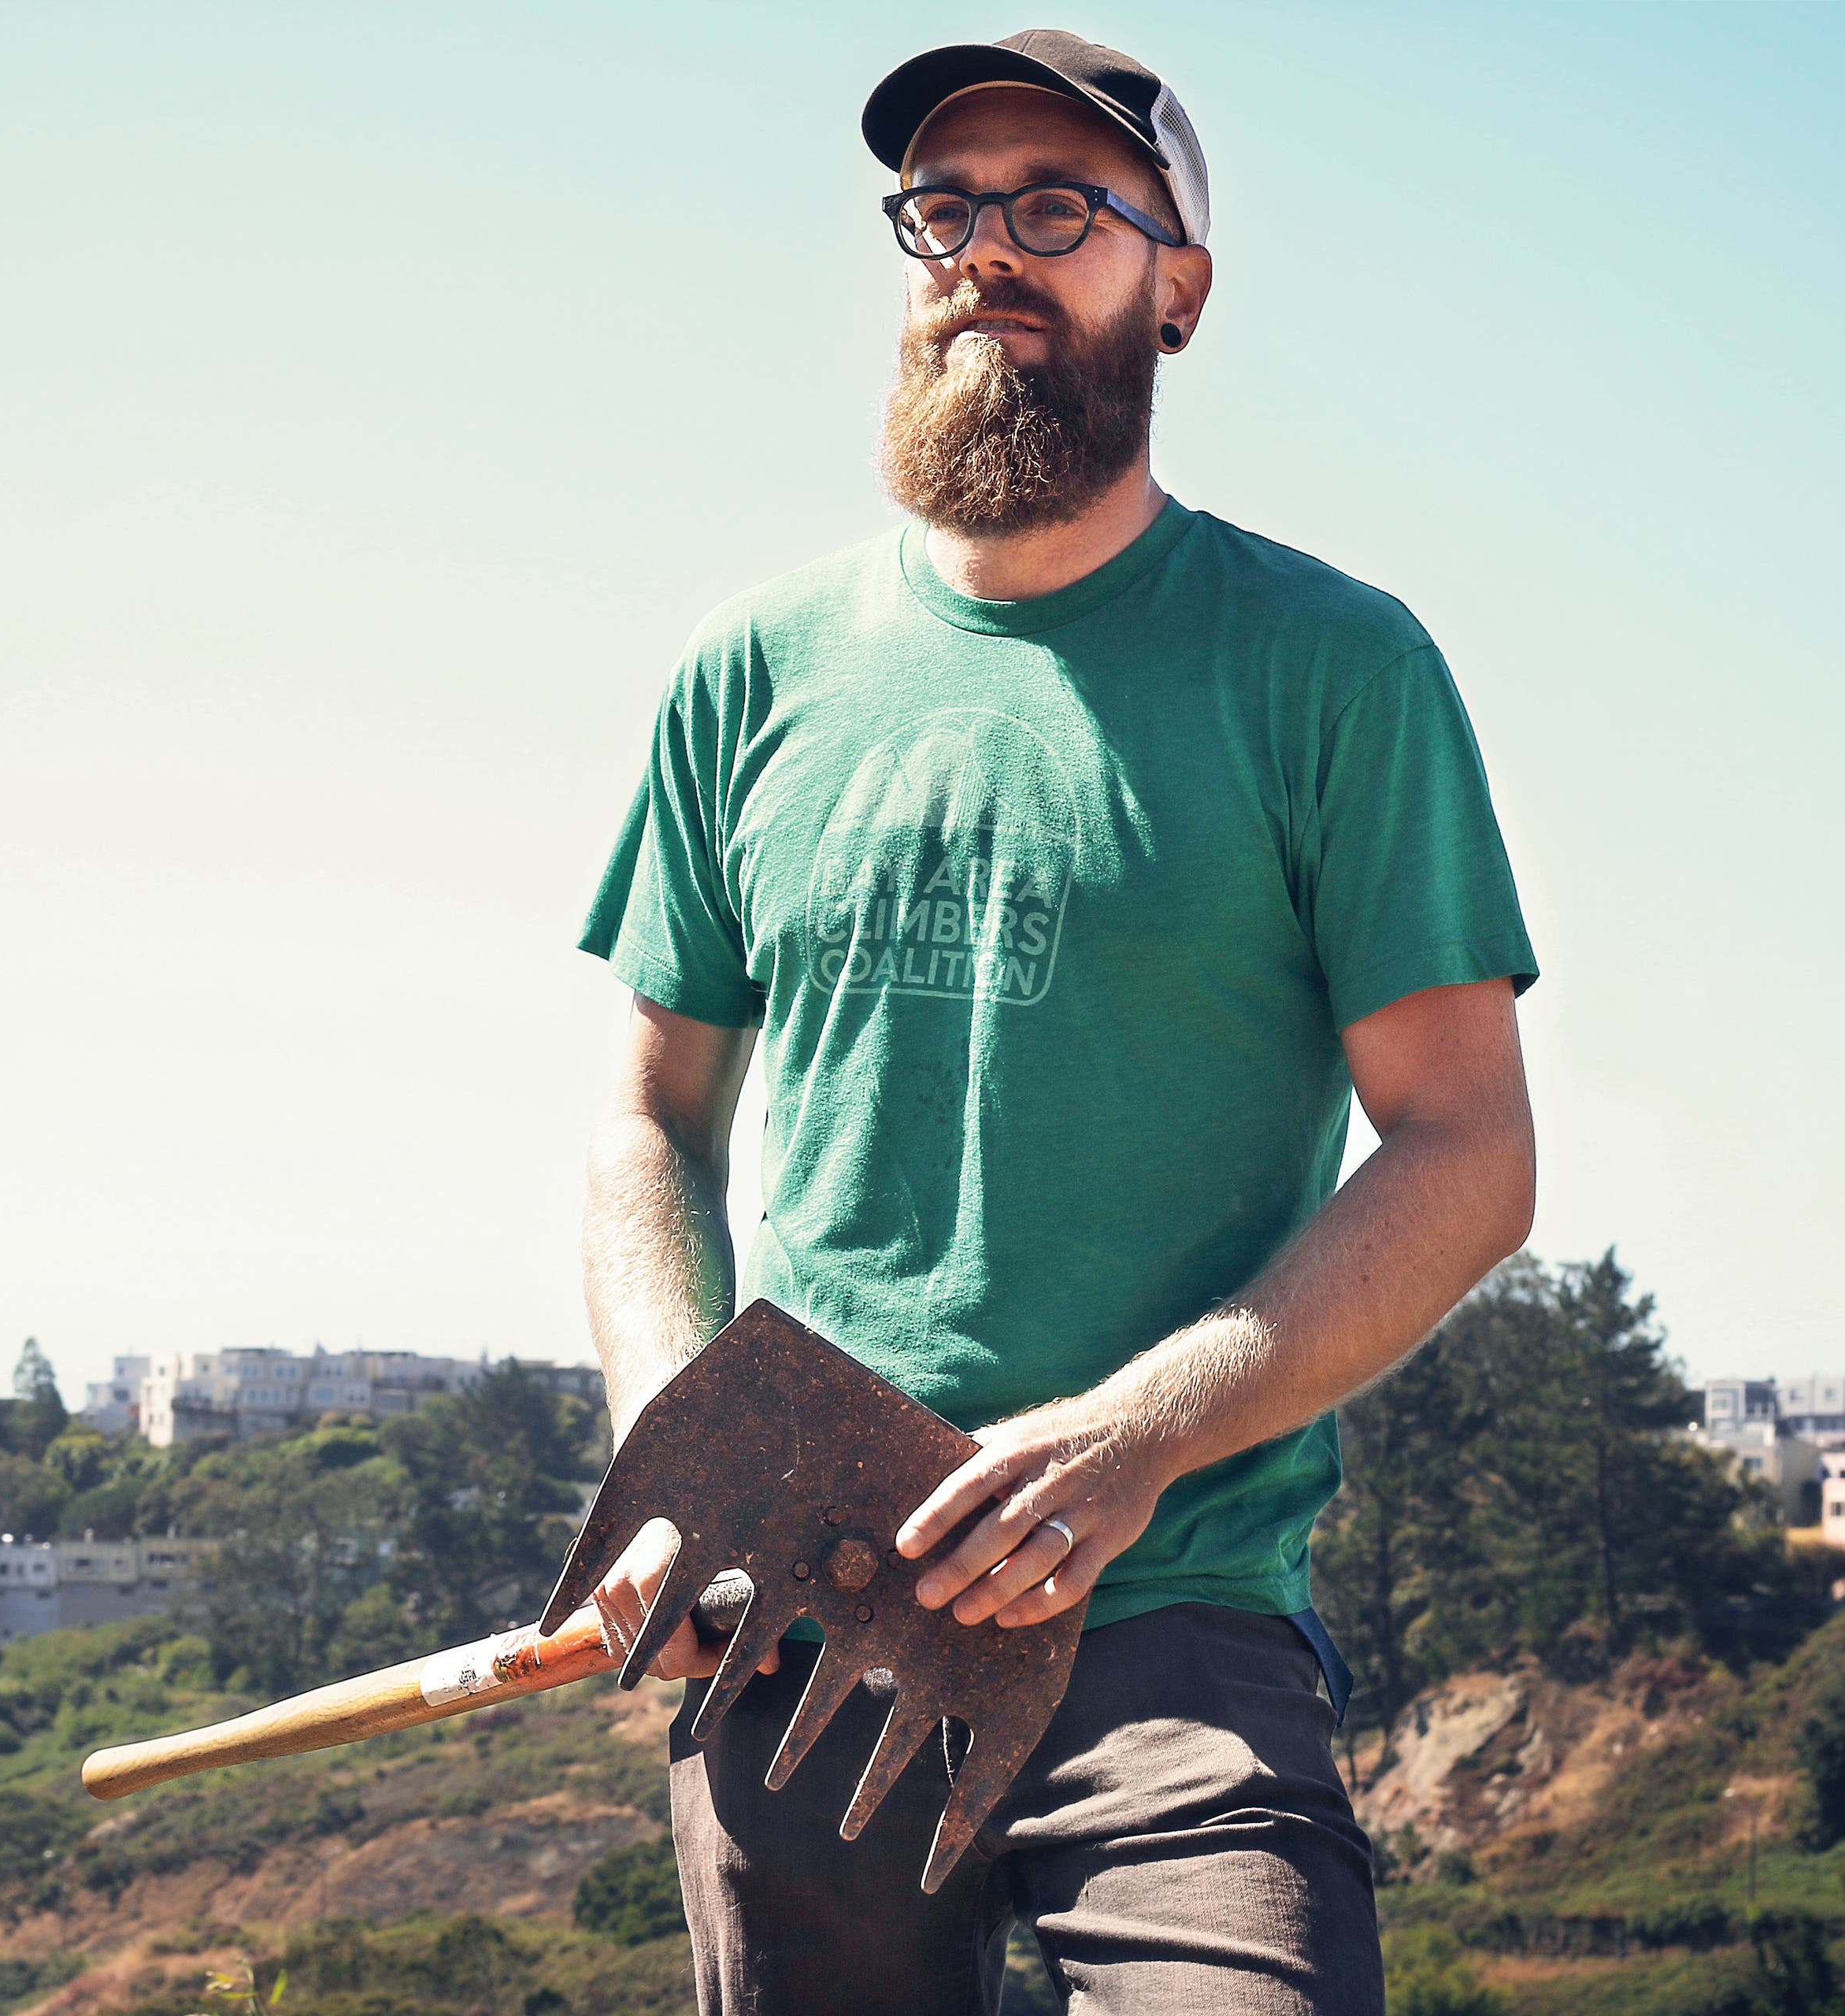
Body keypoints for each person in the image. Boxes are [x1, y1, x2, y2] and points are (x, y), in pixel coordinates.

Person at [576, 30, 1536, 2015]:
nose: (984, 251)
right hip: (806, 1632)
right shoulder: (747, 671)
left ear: (1177, 281)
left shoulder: (1331, 670)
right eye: (944, 208)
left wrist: (1134, 1435)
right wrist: (680, 1446)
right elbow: (647, 1116)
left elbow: (1468, 1148)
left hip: (1175, 1628)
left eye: (1057, 208)